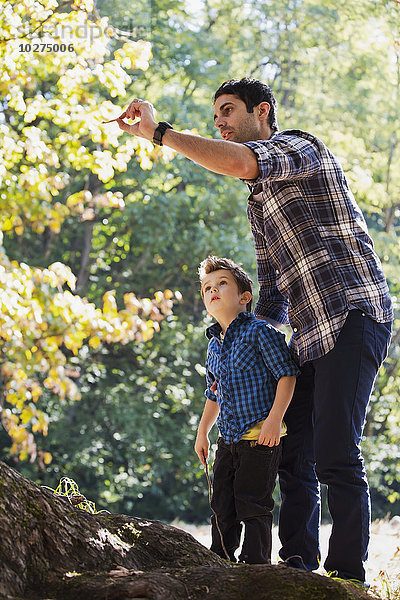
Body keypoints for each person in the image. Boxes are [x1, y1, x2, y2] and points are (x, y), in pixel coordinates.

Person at [117, 77, 393, 585]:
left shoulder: (300, 148)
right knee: (292, 452)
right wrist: (243, 339)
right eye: (215, 114)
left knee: (334, 450)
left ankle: (348, 575)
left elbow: (245, 161)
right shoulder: (257, 201)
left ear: (262, 112)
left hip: (354, 313)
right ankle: (298, 567)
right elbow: (271, 294)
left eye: (228, 110)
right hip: (309, 336)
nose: (219, 121)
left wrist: (161, 134)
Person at [194, 255, 299, 564]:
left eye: (221, 284)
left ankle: (256, 566)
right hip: (227, 439)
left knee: (252, 503)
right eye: (206, 288)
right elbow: (214, 393)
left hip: (259, 436)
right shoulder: (214, 345)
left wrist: (273, 421)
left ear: (244, 297)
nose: (212, 290)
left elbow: (287, 375)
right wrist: (203, 433)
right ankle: (221, 561)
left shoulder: (260, 332)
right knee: (222, 504)